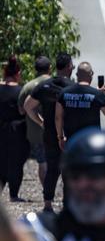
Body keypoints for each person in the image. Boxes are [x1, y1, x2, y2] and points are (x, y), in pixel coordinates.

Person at [24, 53, 75, 212]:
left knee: (52, 168)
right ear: (69, 67)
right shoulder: (71, 87)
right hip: (67, 134)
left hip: (49, 134)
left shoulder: (45, 86)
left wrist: (41, 122)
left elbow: (28, 106)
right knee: (67, 169)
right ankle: (67, 203)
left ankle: (47, 203)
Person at [55, 62, 105, 150]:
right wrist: (103, 95)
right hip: (92, 141)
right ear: (91, 74)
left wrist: (61, 137)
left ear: (77, 75)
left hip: (72, 140)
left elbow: (58, 117)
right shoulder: (97, 95)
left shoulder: (64, 92)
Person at [18, 56, 51, 188]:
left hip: (35, 134)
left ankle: (46, 191)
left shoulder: (28, 86)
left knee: (42, 163)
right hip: (55, 131)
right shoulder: (55, 83)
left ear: (35, 69)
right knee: (55, 162)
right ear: (50, 68)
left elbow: (21, 110)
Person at [0, 56, 29, 202]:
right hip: (18, 129)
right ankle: (13, 194)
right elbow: (24, 110)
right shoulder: (21, 91)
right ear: (17, 73)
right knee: (17, 162)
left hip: (1, 128)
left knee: (2, 160)